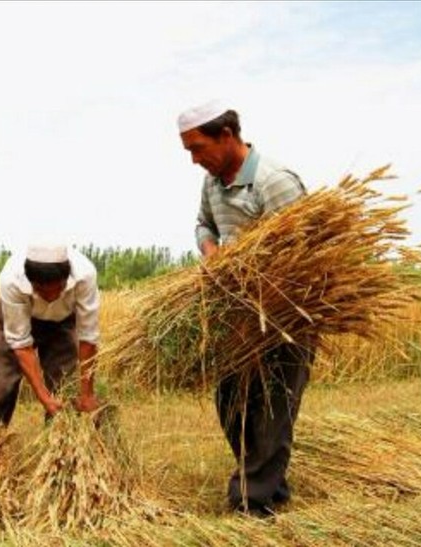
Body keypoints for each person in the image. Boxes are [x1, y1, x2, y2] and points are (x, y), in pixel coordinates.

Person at [177, 99, 316, 517]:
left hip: (285, 314)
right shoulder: (213, 181)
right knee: (232, 400)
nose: (195, 161)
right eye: (189, 152)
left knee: (273, 405)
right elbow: (203, 223)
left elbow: (306, 256)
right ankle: (269, 481)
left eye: (197, 149)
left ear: (227, 135)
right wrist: (212, 250)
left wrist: (256, 276)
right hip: (236, 313)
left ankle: (251, 500)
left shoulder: (275, 183)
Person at [0, 244, 101, 427]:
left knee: (64, 384)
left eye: (58, 289)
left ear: (67, 278)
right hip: (18, 319)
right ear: (30, 280)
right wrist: (44, 398)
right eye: (42, 291)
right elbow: (20, 344)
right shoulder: (11, 280)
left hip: (62, 322)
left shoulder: (85, 275)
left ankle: (59, 441)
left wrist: (87, 394)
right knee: (2, 382)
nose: (50, 298)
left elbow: (88, 337)